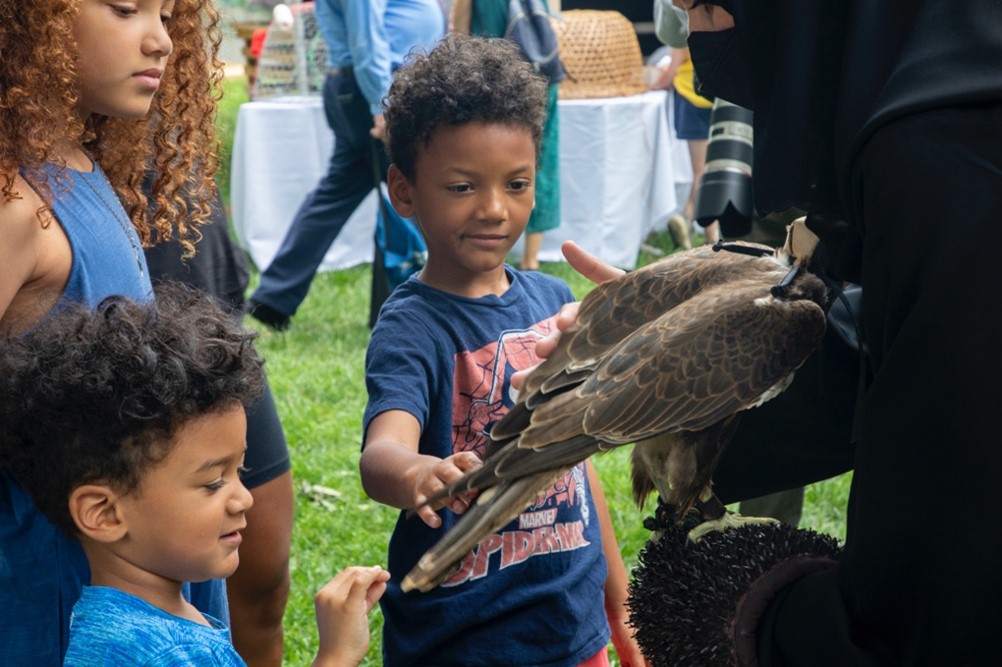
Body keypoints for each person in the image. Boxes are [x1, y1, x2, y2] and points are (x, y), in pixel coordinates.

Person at [540, 1, 1002, 663]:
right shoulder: (927, 94)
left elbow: (940, 596)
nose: (696, 38)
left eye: (703, 4)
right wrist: (691, 355)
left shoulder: (944, 145)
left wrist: (758, 614)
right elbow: (897, 345)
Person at [358, 34, 647, 666]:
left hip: (571, 626)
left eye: (516, 184)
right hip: (465, 638)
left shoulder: (552, 300)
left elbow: (578, 458)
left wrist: (619, 602)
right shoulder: (413, 326)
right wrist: (417, 475)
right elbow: (382, 451)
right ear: (404, 191)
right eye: (462, 187)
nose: (494, 209)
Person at [0, 1, 227, 663]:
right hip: (57, 589)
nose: (159, 40)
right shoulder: (19, 203)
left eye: (167, 13)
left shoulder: (81, 165)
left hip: (136, 560)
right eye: (127, 9)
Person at [0, 285, 390, 667]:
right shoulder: (163, 653)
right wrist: (336, 656)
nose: (245, 498)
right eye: (213, 482)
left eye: (240, 471)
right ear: (104, 513)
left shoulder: (130, 627)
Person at [144, 184, 294, 667]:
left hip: (210, 321)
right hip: (122, 354)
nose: (240, 495)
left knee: (262, 578)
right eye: (216, 481)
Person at [247, 0, 445, 331]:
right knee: (419, 190)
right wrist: (382, 104)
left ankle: (274, 300)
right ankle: (417, 307)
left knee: (339, 195)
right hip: (376, 91)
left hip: (368, 87)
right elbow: (365, 38)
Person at [451, 0, 563, 271]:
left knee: (483, 165)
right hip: (537, 72)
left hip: (487, 79)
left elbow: (461, 27)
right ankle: (529, 259)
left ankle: (491, 251)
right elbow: (554, 20)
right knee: (538, 162)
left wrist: (457, 67)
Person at [650, 0, 717, 249]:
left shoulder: (686, 18)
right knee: (710, 167)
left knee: (701, 171)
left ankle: (700, 227)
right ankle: (699, 228)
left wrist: (653, 83)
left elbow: (673, 61)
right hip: (715, 94)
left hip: (691, 94)